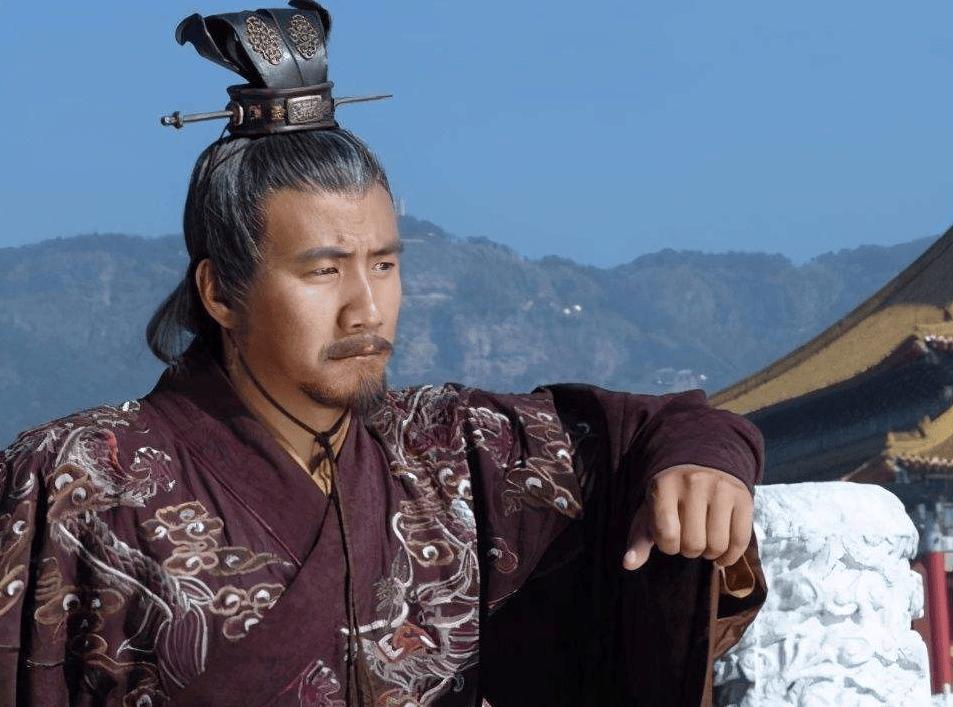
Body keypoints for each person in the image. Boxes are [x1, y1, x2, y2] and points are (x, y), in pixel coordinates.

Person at [0, 3, 767, 705]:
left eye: (385, 264)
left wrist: (703, 464)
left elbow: (660, 427)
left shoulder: (447, 449)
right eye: (323, 270)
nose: (366, 307)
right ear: (221, 291)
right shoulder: (79, 478)